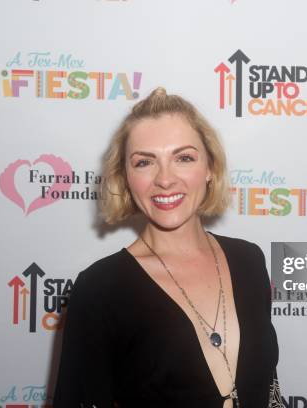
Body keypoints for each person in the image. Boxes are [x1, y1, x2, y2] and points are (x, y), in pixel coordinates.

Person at [53, 87, 281, 408]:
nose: (165, 179)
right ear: (125, 178)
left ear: (211, 170)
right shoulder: (100, 290)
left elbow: (269, 387)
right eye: (145, 162)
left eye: (184, 158)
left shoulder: (249, 260)